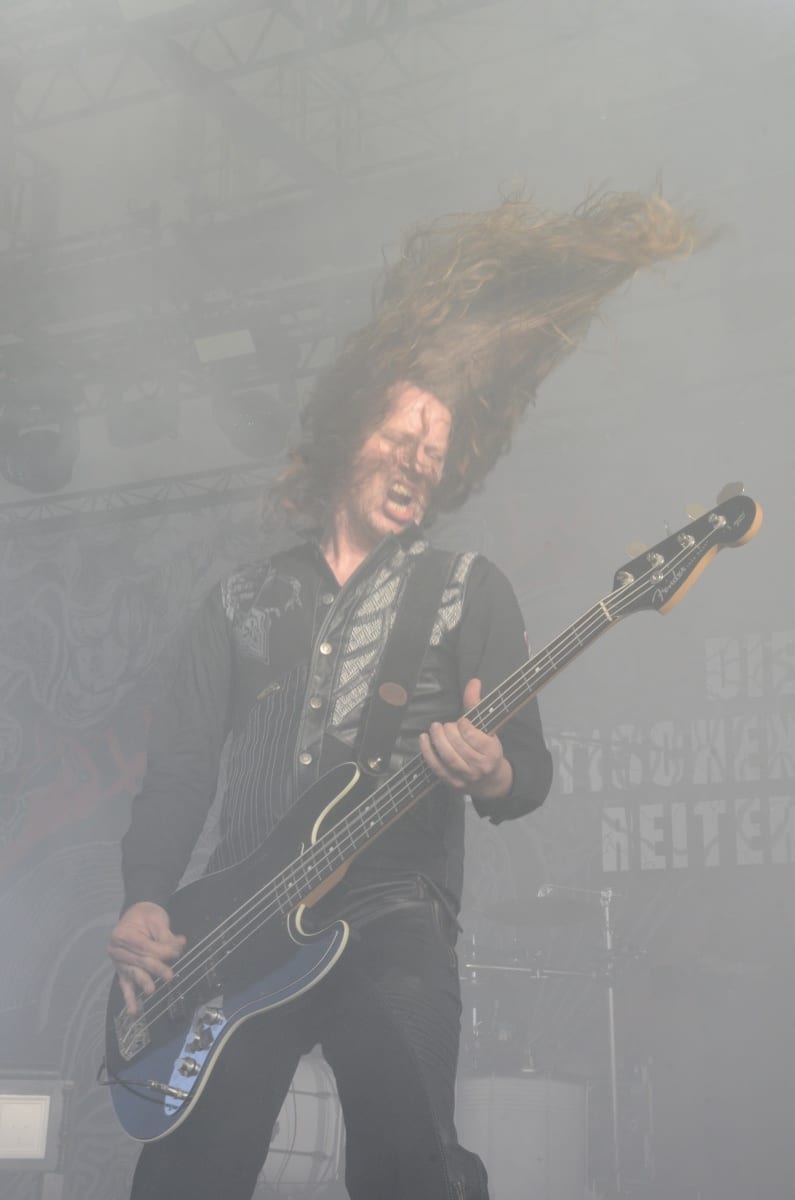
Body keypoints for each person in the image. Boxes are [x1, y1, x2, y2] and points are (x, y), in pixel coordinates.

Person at [108, 190, 700, 1200]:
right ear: (350, 436)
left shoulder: (466, 589)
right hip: (233, 923)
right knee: (185, 1175)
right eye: (403, 440)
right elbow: (178, 774)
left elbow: (527, 773)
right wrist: (145, 901)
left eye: (437, 454)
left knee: (411, 1161)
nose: (421, 463)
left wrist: (493, 765)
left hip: (389, 914)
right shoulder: (242, 601)